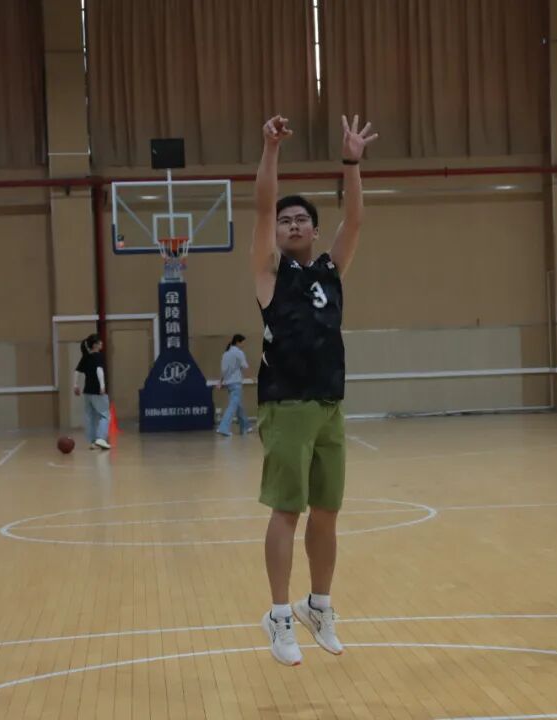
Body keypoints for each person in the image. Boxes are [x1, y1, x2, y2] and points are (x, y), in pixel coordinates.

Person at [250, 113, 378, 666]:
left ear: (315, 231)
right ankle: (279, 614)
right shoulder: (269, 273)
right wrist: (271, 149)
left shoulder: (330, 271)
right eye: (286, 221)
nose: (293, 224)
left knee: (327, 511)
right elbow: (262, 206)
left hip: (330, 404)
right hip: (286, 404)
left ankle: (317, 605)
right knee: (288, 511)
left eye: (302, 218)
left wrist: (351, 162)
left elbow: (356, 218)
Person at [73, 333, 110, 450]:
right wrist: (102, 386)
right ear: (95, 345)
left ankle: (93, 441)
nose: (101, 343)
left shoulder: (86, 357)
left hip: (87, 392)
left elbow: (76, 371)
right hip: (97, 391)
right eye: (99, 342)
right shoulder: (98, 356)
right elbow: (99, 370)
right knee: (104, 415)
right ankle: (101, 438)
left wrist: (75, 385)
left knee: (90, 417)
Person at [217, 334, 251, 436]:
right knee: (232, 407)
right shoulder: (239, 353)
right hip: (236, 383)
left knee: (238, 405)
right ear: (238, 342)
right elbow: (245, 366)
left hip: (228, 383)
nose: (243, 345)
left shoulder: (225, 354)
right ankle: (223, 428)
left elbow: (223, 370)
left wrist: (221, 381)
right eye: (243, 343)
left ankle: (245, 426)